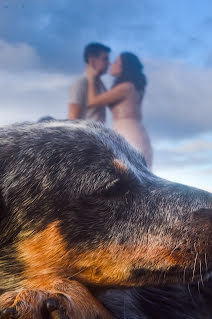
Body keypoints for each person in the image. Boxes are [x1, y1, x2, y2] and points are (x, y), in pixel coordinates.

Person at [86, 52, 153, 169]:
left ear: (125, 67)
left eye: (116, 62)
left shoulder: (126, 87)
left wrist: (91, 77)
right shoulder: (130, 86)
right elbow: (107, 95)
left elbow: (93, 101)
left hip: (128, 133)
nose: (111, 63)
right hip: (133, 130)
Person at [68, 42, 111, 123]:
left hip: (98, 133)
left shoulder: (99, 83)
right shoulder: (81, 83)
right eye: (105, 59)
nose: (109, 63)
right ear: (92, 61)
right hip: (87, 134)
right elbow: (73, 118)